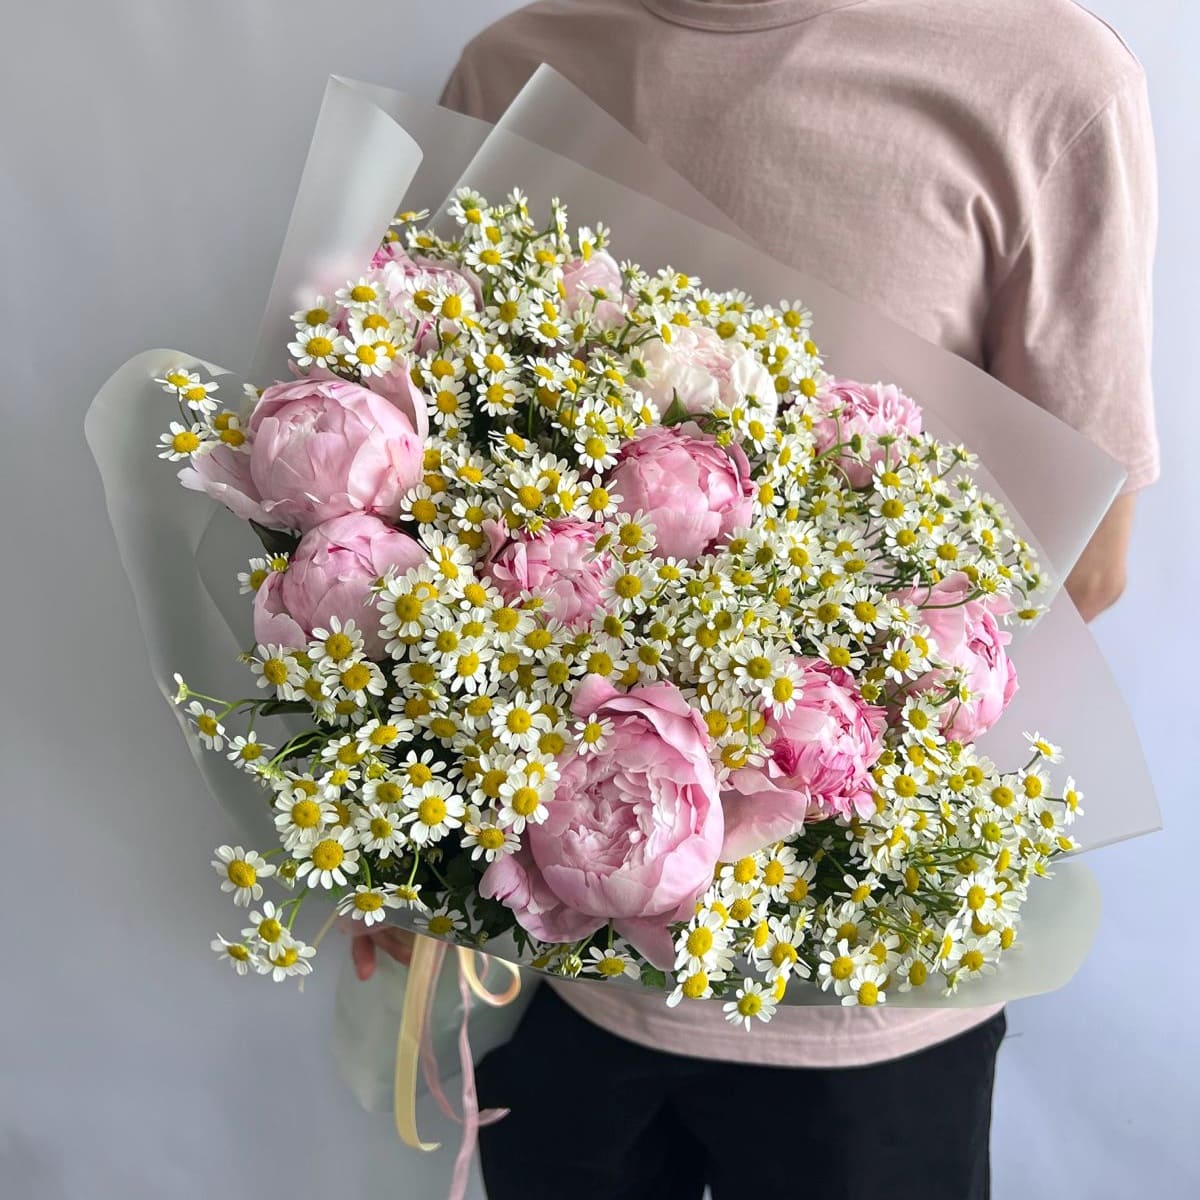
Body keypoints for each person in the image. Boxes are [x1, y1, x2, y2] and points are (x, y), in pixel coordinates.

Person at [349, 2, 1161, 1196]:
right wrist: (398, 833)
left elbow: (1086, 566)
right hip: (550, 969)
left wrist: (773, 756)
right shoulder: (518, 63)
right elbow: (422, 494)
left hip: (866, 1005)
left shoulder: (1044, 79)